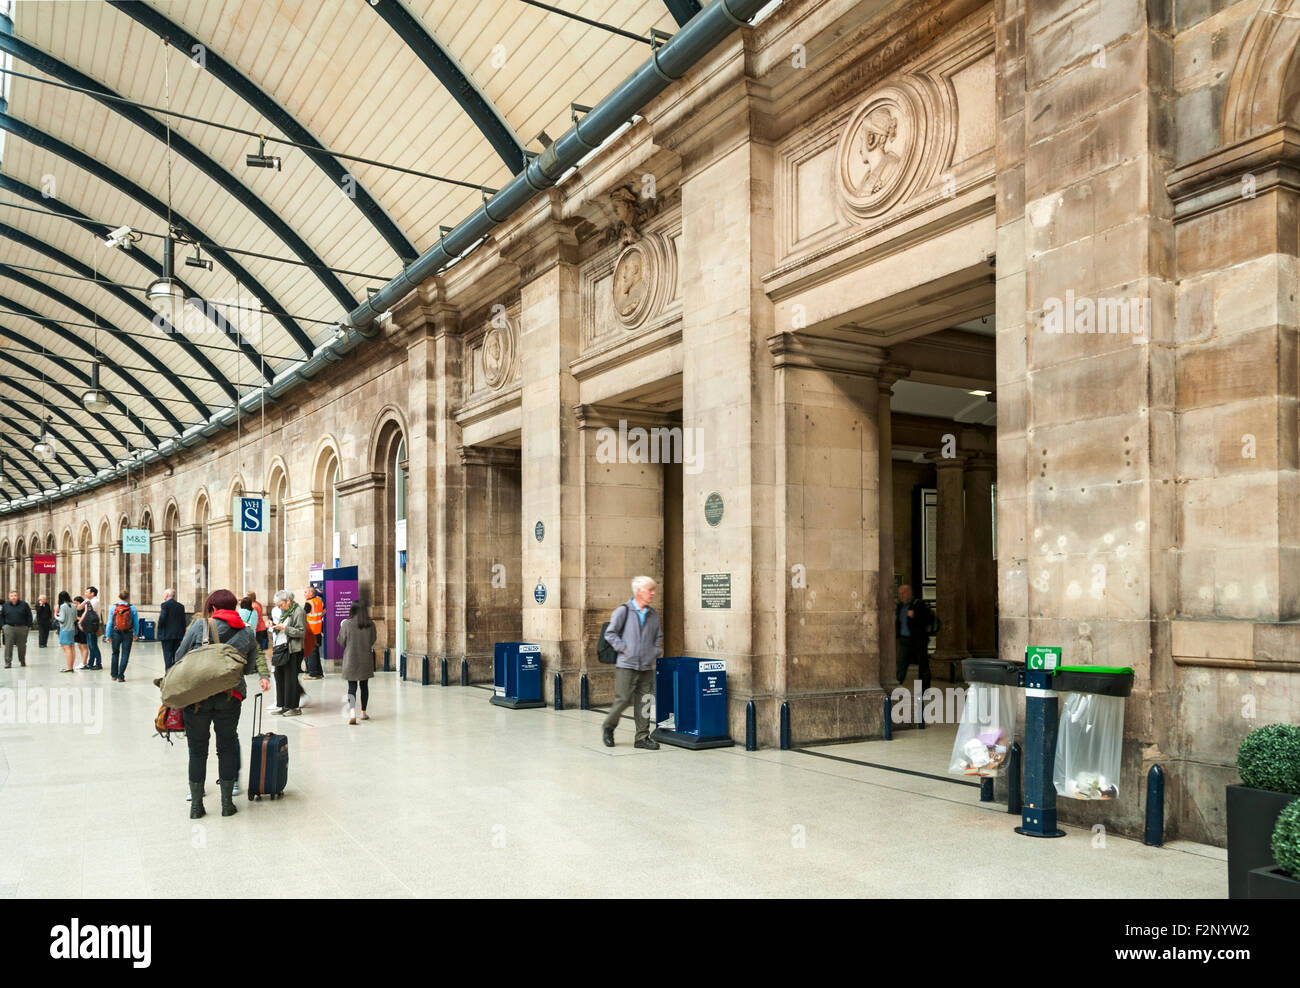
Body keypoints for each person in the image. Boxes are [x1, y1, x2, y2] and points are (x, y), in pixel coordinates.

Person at [173, 589, 270, 818]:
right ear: (233, 608)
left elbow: (179, 656)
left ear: (214, 608)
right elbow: (248, 668)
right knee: (226, 747)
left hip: (198, 698)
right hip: (230, 696)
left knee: (197, 751)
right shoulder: (246, 633)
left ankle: (196, 806)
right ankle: (227, 804)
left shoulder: (200, 627)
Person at [600, 576, 663, 750]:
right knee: (623, 700)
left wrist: (655, 651)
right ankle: (608, 727)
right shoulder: (623, 611)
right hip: (626, 665)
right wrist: (624, 648)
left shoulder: (653, 614)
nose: (653, 593)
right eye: (649, 590)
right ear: (638, 591)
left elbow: (658, 636)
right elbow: (610, 633)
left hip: (646, 665)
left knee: (645, 701)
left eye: (653, 589)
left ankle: (642, 737)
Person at [337, 600, 377, 725]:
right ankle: (364, 713)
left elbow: (341, 641)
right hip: (365, 658)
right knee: (364, 686)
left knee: (352, 687)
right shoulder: (370, 624)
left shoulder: (347, 624)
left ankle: (353, 712)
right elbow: (372, 639)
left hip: (351, 658)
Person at [269, 589, 305, 716]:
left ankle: (294, 707)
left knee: (290, 678)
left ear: (288, 601)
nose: (280, 608)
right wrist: (274, 626)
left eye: (281, 605)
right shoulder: (286, 612)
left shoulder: (298, 611)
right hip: (281, 647)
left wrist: (285, 628)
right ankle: (283, 705)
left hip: (293, 649)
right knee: (279, 675)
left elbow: (301, 631)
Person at [895, 584, 934, 695]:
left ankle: (925, 690)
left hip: (918, 640)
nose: (901, 596)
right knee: (901, 664)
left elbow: (926, 620)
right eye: (899, 594)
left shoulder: (918, 604)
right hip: (904, 640)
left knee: (923, 665)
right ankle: (896, 687)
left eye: (903, 593)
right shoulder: (900, 606)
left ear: (909, 593)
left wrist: (915, 616)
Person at [108, 590, 139, 682]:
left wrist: (107, 635)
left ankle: (114, 675)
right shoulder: (132, 608)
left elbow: (110, 622)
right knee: (125, 654)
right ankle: (120, 676)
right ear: (128, 597)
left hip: (116, 632)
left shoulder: (113, 607)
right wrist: (135, 634)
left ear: (119, 596)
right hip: (128, 633)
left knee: (115, 653)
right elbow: (136, 622)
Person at [2, 589, 33, 668]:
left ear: (18, 596)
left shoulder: (24, 604)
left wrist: (28, 626)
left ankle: (22, 660)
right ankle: (8, 662)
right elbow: (1, 616)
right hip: (9, 627)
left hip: (22, 627)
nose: (13, 597)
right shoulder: (5, 605)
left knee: (22, 645)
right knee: (8, 645)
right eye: (11, 596)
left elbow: (29, 615)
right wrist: (3, 626)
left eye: (15, 596)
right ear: (9, 597)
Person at [157, 589, 186, 671]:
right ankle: (175, 673)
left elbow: (162, 619)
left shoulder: (165, 605)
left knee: (167, 656)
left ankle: (168, 673)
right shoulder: (181, 606)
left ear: (166, 595)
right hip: (178, 635)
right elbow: (183, 621)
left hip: (166, 635)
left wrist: (159, 629)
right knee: (176, 655)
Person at [302, 585, 325, 679]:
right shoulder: (318, 601)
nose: (304, 594)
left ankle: (313, 674)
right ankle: (319, 673)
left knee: (310, 653)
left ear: (311, 593)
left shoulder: (309, 603)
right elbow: (323, 612)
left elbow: (302, 616)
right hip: (317, 631)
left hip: (310, 632)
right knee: (316, 653)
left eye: (306, 592)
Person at [56, 591, 77, 672]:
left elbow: (62, 619)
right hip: (72, 628)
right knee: (71, 647)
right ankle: (71, 666)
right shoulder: (73, 605)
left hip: (65, 629)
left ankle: (69, 667)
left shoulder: (63, 606)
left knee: (67, 648)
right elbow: (75, 618)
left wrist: (55, 615)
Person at [82, 586, 103, 670]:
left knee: (93, 645)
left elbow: (87, 612)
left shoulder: (95, 601)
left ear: (92, 593)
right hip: (88, 625)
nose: (85, 593)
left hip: (93, 625)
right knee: (90, 645)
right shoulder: (90, 601)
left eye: (87, 592)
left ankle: (98, 663)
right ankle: (90, 663)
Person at [73, 595, 89, 668]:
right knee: (79, 645)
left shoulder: (85, 609)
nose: (75, 605)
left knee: (84, 646)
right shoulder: (75, 609)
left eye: (76, 603)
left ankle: (84, 662)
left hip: (82, 628)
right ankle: (83, 661)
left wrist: (77, 618)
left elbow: (85, 619)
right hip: (77, 629)